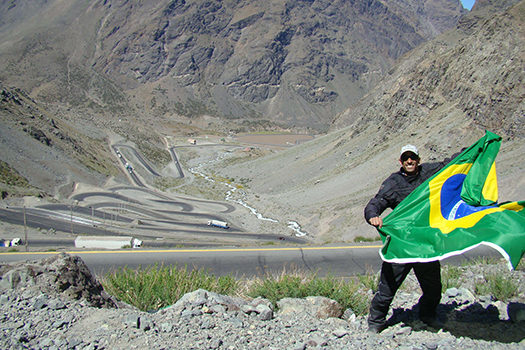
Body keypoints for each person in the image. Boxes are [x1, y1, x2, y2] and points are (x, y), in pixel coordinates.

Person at [364, 144, 458, 333]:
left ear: (418, 159)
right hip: (402, 244)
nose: (409, 161)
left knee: (433, 289)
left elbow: (452, 164)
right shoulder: (393, 182)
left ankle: (427, 315)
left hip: (424, 244)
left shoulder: (429, 172)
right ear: (400, 161)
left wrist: (474, 149)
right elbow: (376, 202)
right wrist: (372, 216)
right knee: (387, 288)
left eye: (413, 157)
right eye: (406, 158)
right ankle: (376, 322)